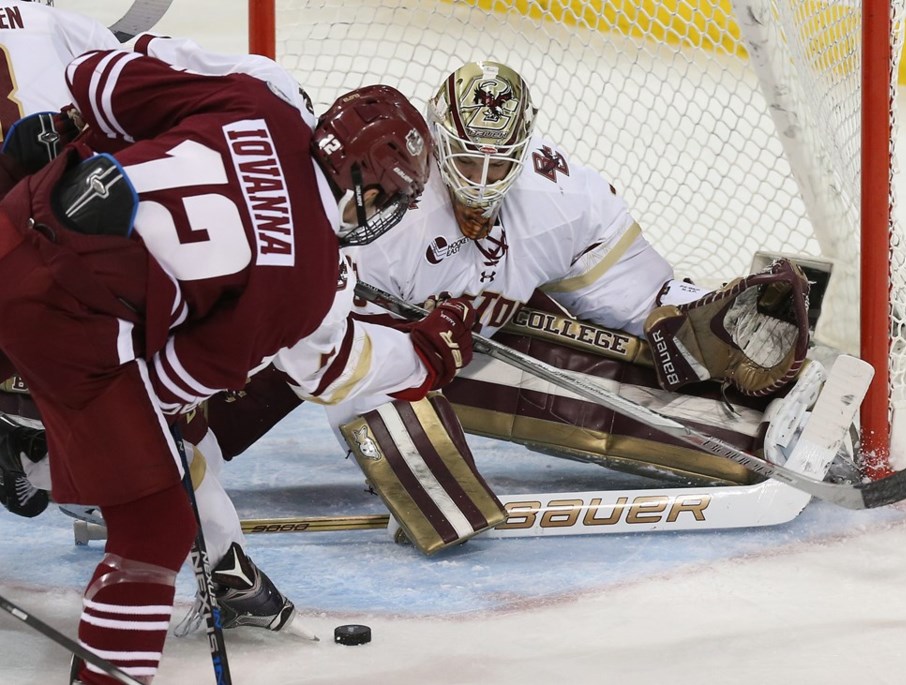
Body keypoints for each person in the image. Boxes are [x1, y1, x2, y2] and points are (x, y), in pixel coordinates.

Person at [0, 46, 475, 685]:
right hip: (75, 329)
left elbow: (93, 76)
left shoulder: (259, 102)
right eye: (389, 199)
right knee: (157, 524)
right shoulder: (309, 281)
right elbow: (177, 381)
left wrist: (86, 138)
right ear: (365, 183)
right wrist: (426, 354)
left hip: (19, 213)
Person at [200, 62, 811, 550]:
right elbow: (322, 338)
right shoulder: (387, 200)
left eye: (500, 161)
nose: (483, 178)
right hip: (359, 343)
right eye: (467, 159)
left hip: (473, 336)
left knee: (593, 382)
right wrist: (397, 369)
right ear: (438, 140)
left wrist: (688, 322)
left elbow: (635, 292)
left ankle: (749, 432)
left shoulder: (562, 196)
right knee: (433, 494)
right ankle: (159, 448)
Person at [0, 0, 121, 516]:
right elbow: (127, 98)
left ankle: (25, 439)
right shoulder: (55, 22)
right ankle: (45, 454)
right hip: (57, 222)